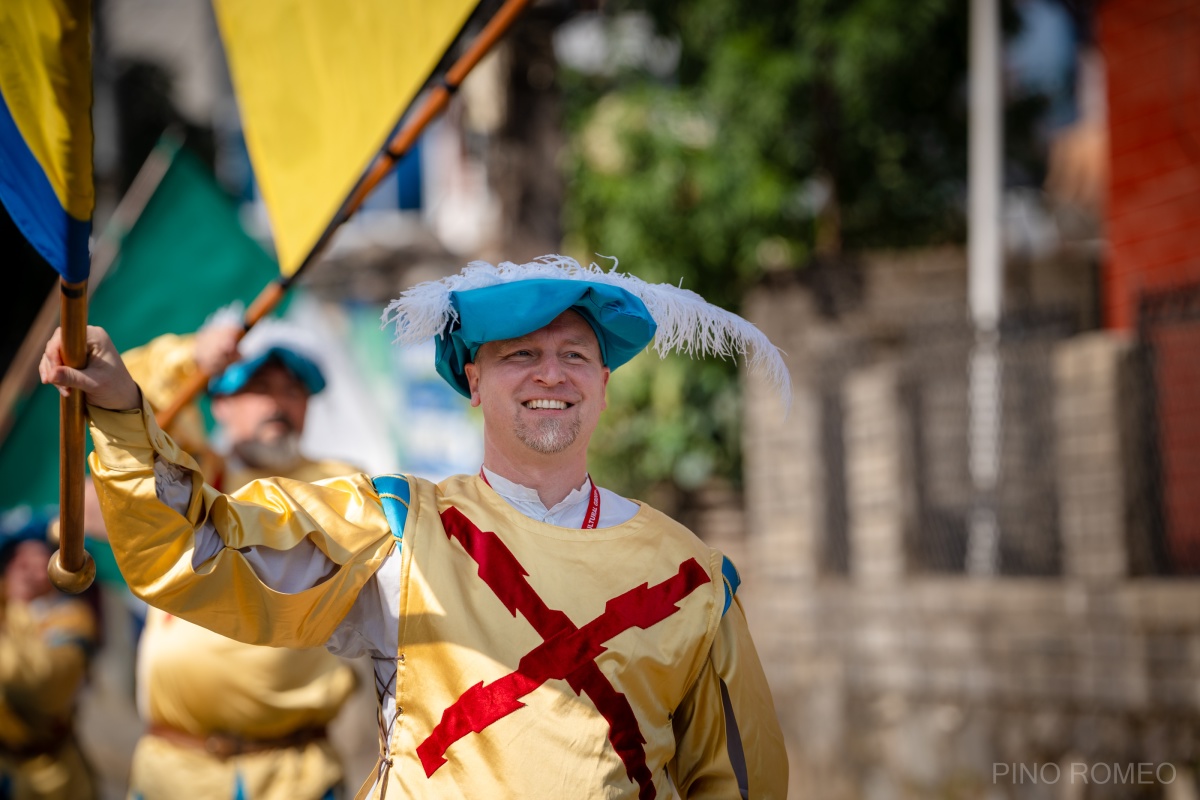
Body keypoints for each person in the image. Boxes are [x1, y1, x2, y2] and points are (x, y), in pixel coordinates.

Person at [41, 255, 792, 799]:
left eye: (574, 355)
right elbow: (199, 549)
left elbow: (739, 784)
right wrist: (118, 405)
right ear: (473, 380)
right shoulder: (394, 524)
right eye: (520, 355)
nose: (550, 375)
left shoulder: (694, 579)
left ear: (602, 381)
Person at [108, 324, 365, 800]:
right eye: (259, 388)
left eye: (294, 390)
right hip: (172, 773)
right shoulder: (194, 472)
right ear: (219, 404)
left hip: (298, 777)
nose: (278, 405)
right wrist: (192, 358)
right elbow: (124, 406)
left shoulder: (341, 486)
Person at [0, 513, 99, 800]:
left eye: (37, 560)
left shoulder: (73, 619)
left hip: (53, 780)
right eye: (17, 559)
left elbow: (40, 685)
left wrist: (16, 610)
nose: (25, 568)